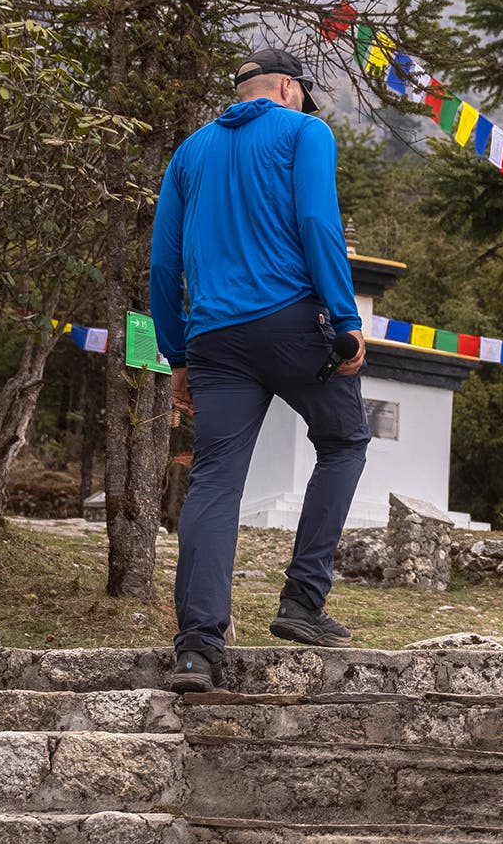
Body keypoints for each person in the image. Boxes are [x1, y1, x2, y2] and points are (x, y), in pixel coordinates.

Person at [149, 46, 369, 694]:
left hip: (215, 339)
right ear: (287, 89)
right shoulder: (306, 132)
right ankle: (302, 602)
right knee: (345, 441)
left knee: (215, 480)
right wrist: (345, 317)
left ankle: (196, 650)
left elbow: (164, 265)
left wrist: (178, 355)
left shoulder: (189, 152)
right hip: (294, 324)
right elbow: (316, 221)